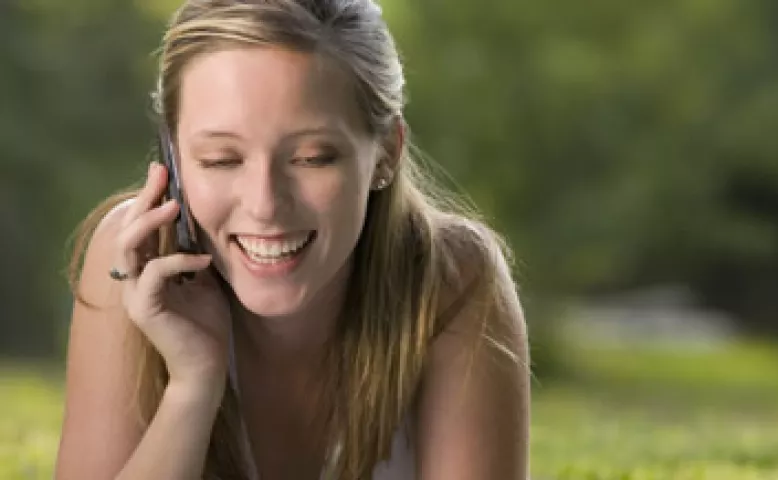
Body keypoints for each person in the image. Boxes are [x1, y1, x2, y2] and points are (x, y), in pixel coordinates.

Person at [55, 0, 531, 479]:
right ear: (173, 161)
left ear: (386, 153)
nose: (265, 205)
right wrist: (192, 388)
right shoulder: (133, 261)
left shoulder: (453, 279)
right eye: (221, 160)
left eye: (312, 158)